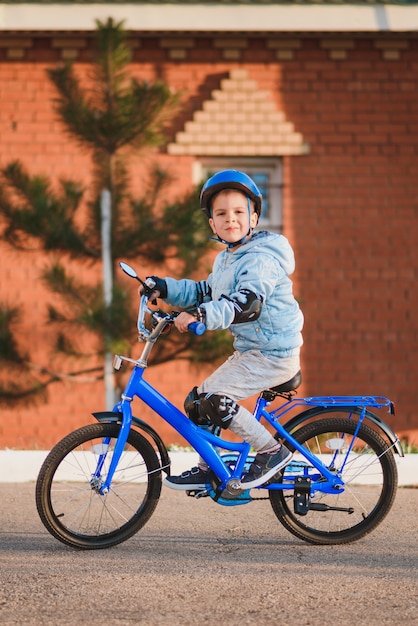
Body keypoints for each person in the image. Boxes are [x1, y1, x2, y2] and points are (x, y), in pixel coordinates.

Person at [145, 170, 304, 490]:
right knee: (198, 403)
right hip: (252, 351)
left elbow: (246, 303)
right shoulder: (226, 260)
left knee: (217, 400)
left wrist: (202, 315)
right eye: (221, 214)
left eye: (238, 212)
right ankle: (210, 466)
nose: (230, 219)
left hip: (274, 354)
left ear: (254, 218)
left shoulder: (261, 259)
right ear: (212, 225)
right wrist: (164, 288)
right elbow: (205, 291)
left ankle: (272, 451)